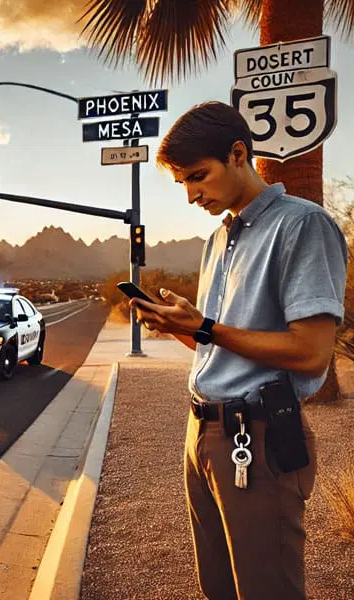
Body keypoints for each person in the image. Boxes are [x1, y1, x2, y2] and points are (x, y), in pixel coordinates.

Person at [129, 101, 347, 600]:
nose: (190, 195)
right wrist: (180, 327)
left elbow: (311, 354)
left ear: (238, 153)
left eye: (198, 176)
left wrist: (205, 325)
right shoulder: (218, 239)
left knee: (266, 589)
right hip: (201, 433)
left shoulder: (301, 226)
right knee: (218, 589)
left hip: (259, 434)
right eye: (182, 182)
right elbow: (222, 345)